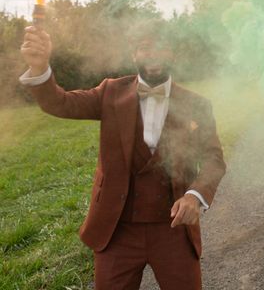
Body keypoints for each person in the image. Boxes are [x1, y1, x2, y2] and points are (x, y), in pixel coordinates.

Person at [19, 20, 226, 290]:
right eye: (145, 47)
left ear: (173, 53)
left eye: (162, 47)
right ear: (134, 54)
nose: (153, 54)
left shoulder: (197, 105)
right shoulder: (109, 92)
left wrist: (194, 196)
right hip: (117, 229)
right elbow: (59, 102)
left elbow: (213, 159)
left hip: (173, 229)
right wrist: (39, 67)